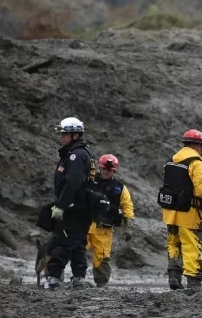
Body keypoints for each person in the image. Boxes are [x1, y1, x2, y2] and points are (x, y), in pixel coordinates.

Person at [157, 129, 202, 290]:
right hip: (189, 214)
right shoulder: (197, 163)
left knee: (174, 244)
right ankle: (194, 284)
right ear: (198, 146)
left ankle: (174, 277)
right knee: (193, 246)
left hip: (170, 212)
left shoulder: (171, 161)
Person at [46, 116, 95, 290]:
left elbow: (73, 183)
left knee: (62, 241)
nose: (61, 136)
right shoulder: (80, 153)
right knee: (77, 243)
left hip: (74, 208)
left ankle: (53, 279)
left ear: (75, 135)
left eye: (65, 134)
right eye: (61, 133)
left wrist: (61, 206)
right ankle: (79, 279)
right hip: (80, 208)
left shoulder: (76, 155)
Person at [86, 154, 135, 287]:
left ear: (114, 170)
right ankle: (76, 278)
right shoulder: (89, 180)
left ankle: (101, 284)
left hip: (103, 228)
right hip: (84, 223)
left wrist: (128, 226)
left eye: (109, 169)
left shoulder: (119, 188)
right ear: (100, 168)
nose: (106, 171)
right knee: (74, 249)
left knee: (101, 257)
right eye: (104, 168)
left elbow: (127, 206)